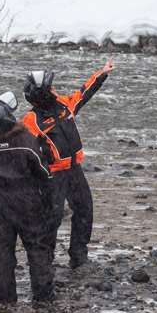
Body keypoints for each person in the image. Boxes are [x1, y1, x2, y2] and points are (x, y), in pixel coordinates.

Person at [21, 56, 115, 269]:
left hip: (74, 170)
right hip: (52, 176)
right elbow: (23, 151)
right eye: (51, 87)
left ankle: (79, 255)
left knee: (84, 210)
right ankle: (45, 261)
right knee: (52, 218)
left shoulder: (64, 104)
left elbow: (84, 93)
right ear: (44, 93)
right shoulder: (31, 121)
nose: (55, 88)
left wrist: (102, 74)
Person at [0, 91, 55, 303]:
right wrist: (48, 201)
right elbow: (44, 172)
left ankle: (5, 296)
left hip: (1, 207)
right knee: (37, 249)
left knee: (3, 253)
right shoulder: (25, 140)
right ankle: (43, 294)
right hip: (27, 205)